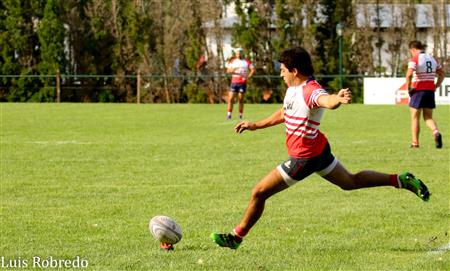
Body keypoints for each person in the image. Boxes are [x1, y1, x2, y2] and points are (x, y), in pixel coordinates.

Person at [210, 47, 430, 250]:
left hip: (304, 158)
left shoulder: (310, 90)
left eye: (283, 71)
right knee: (350, 182)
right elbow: (285, 112)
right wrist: (255, 125)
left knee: (259, 192)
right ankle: (401, 180)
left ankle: (236, 237)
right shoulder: (293, 89)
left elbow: (326, 100)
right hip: (318, 150)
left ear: (294, 71)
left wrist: (338, 99)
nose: (281, 75)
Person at [405, 40, 445, 149]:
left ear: (412, 49)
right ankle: (435, 132)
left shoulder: (415, 59)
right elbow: (442, 73)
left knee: (415, 118)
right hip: (429, 91)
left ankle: (415, 143)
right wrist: (436, 85)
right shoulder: (433, 59)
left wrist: (408, 88)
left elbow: (408, 75)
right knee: (428, 117)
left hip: (418, 90)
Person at [226, 48, 256, 120]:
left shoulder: (246, 62)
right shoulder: (233, 61)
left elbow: (253, 69)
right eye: (237, 53)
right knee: (230, 98)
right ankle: (229, 114)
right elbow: (228, 70)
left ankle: (240, 114)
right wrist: (232, 70)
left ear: (242, 53)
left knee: (240, 99)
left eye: (240, 52)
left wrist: (248, 77)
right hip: (234, 82)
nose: (238, 54)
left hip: (242, 82)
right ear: (236, 54)